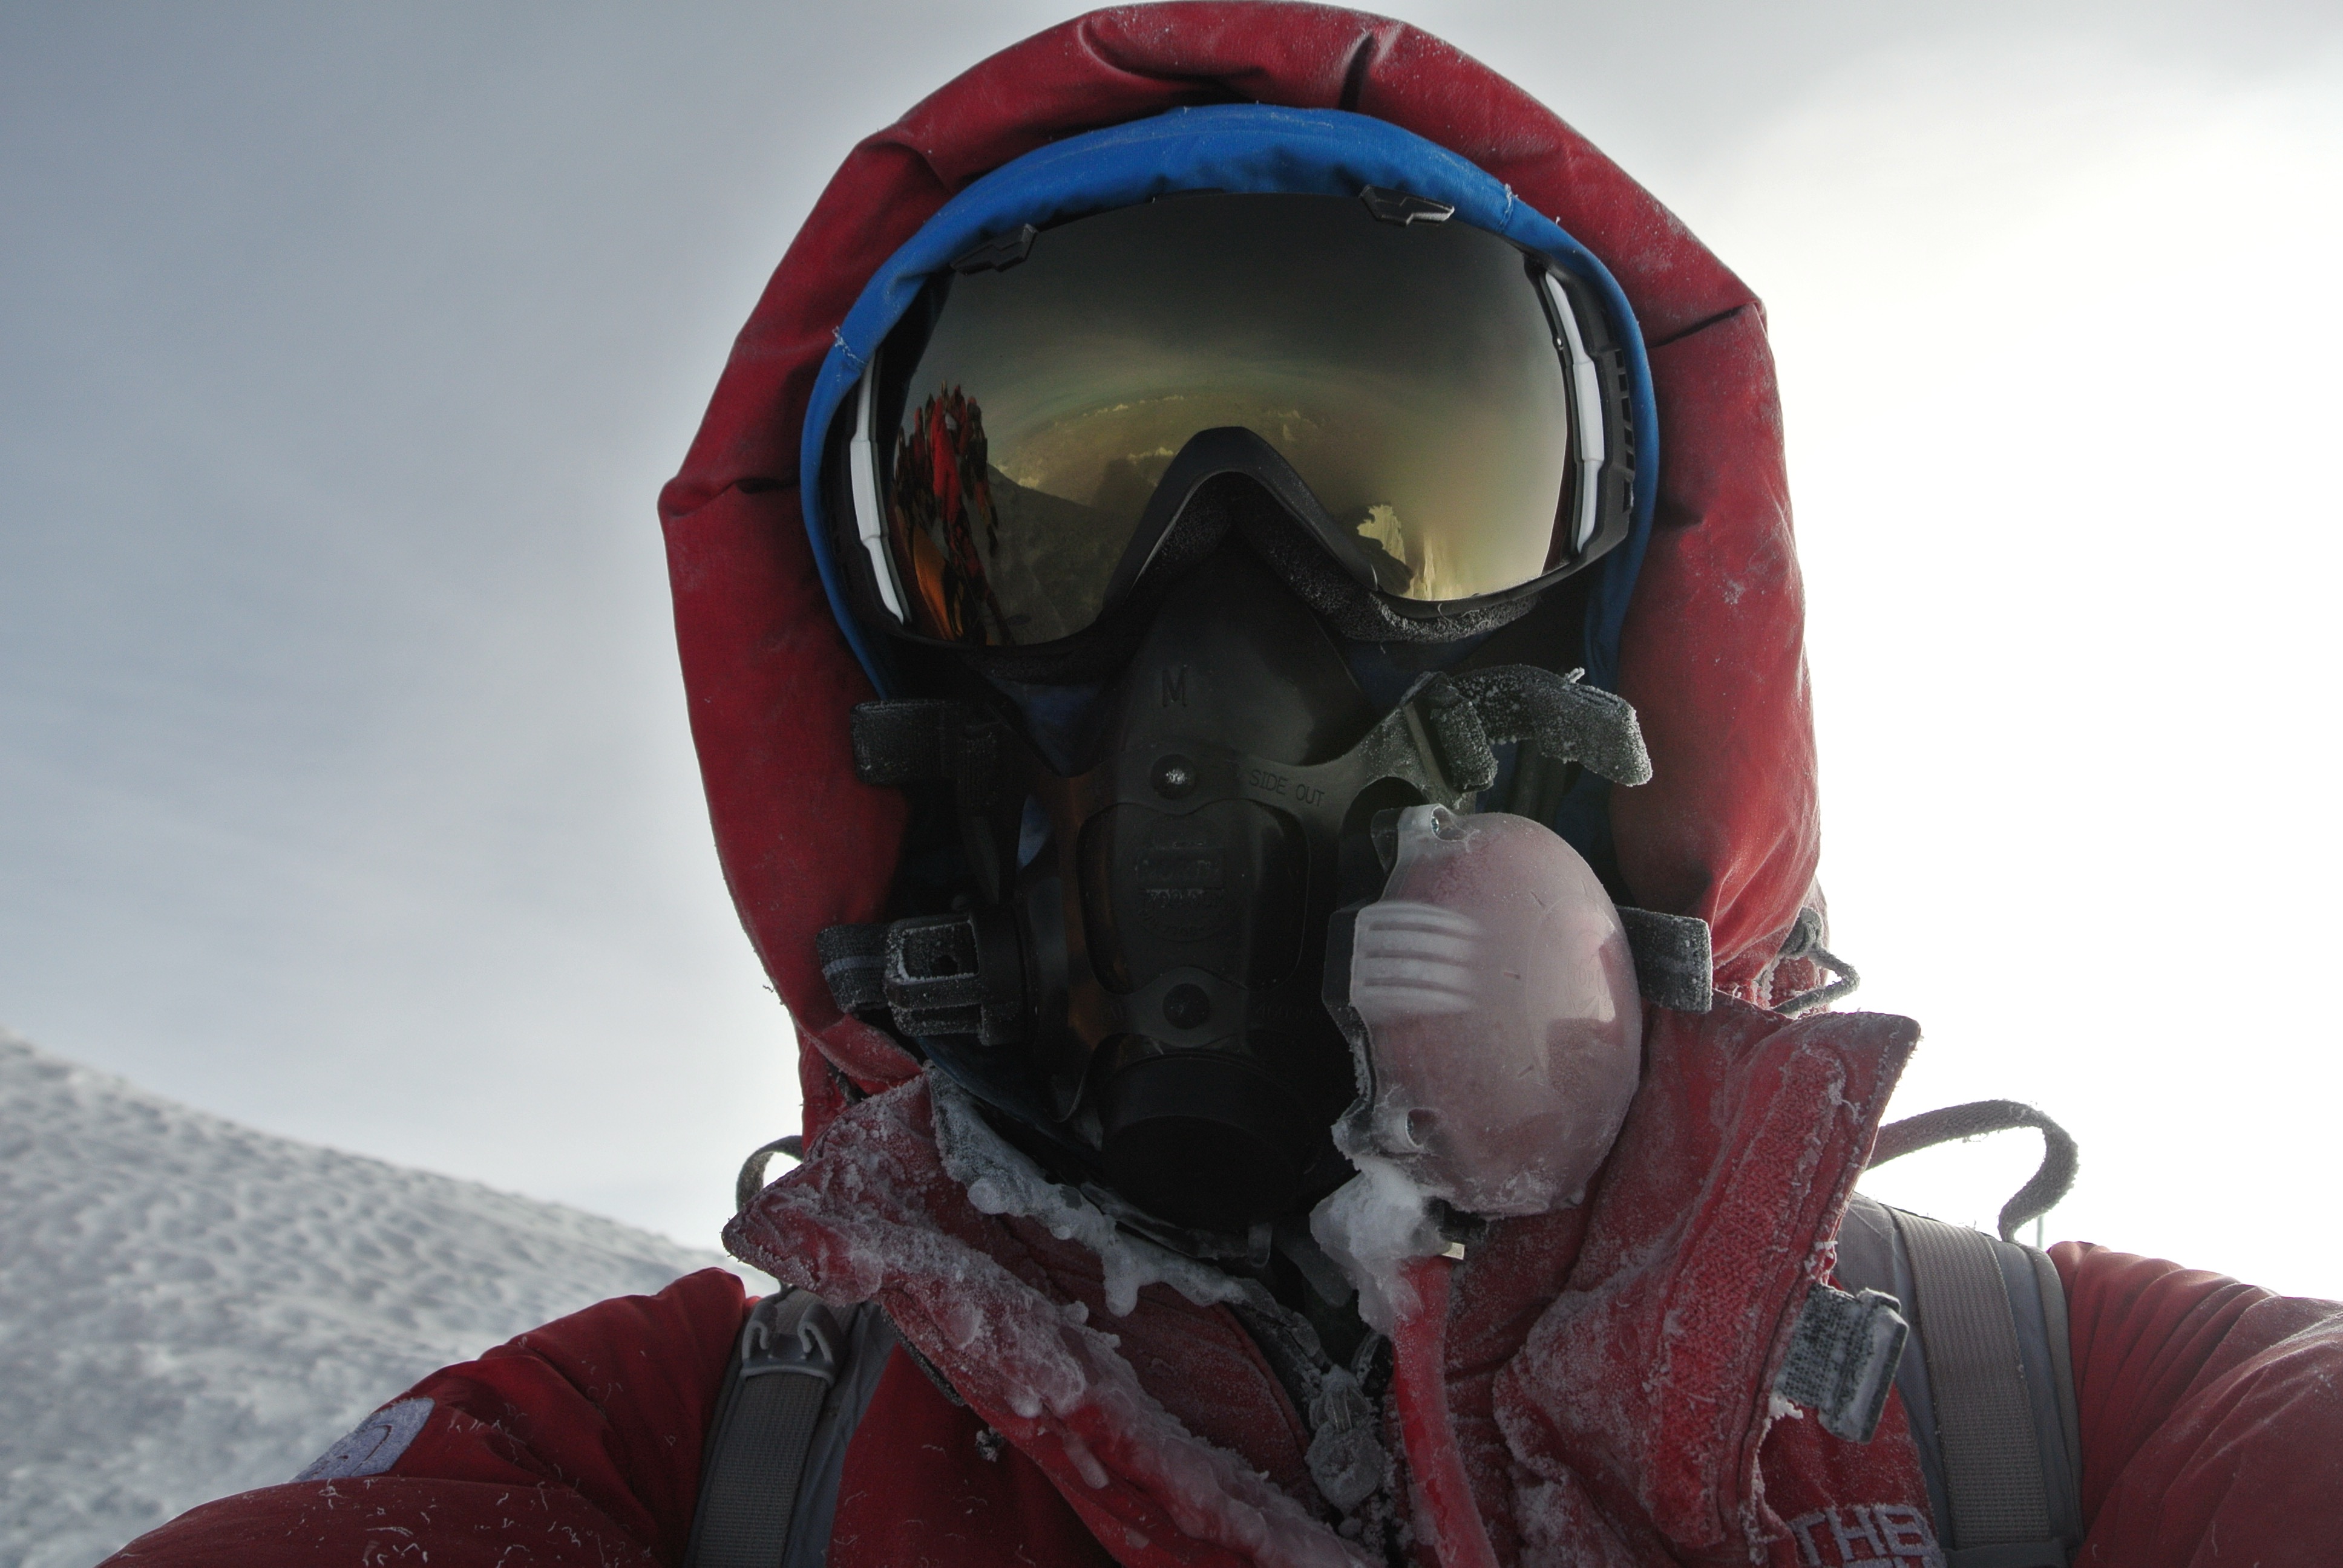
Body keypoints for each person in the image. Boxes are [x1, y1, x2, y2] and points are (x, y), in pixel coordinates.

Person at [106, 8, 2342, 1567]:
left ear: (1610, 652)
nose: (1223, 633)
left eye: (1403, 508)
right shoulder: (674, 1465)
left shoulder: (2051, 1421)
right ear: (889, 673)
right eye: (1039, 522)